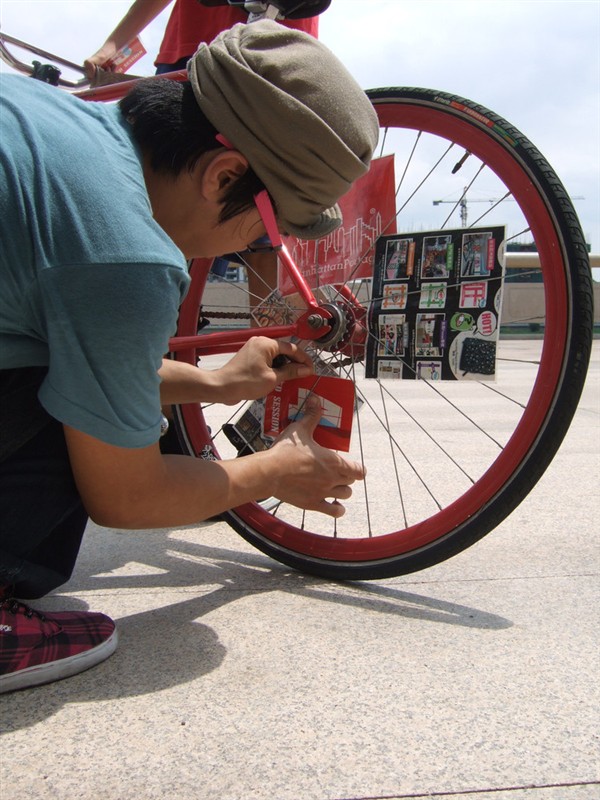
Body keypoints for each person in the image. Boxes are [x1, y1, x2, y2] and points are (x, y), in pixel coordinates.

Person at [0, 20, 379, 693]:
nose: (254, 251)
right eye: (268, 231)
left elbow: (89, 358)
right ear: (224, 174)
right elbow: (126, 494)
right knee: (76, 448)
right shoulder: (127, 254)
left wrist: (213, 382)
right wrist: (270, 471)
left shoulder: (54, 118)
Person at [84, 1, 322, 306]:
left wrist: (114, 44)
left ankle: (166, 331)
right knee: (259, 218)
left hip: (250, 46)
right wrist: (114, 45)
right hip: (264, 45)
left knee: (175, 207)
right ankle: (264, 343)